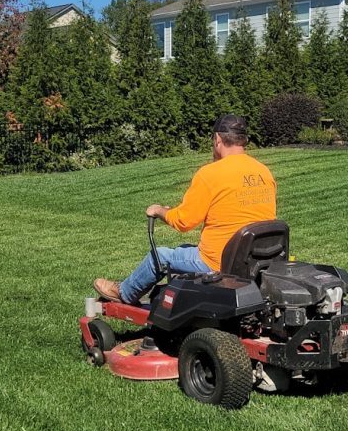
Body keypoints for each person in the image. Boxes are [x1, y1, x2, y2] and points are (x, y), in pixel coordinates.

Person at [93, 114, 277, 304]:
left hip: (217, 262)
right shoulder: (263, 171)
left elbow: (183, 221)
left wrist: (159, 211)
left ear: (218, 140)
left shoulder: (210, 174)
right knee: (182, 251)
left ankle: (124, 292)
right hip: (254, 261)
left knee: (161, 256)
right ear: (243, 140)